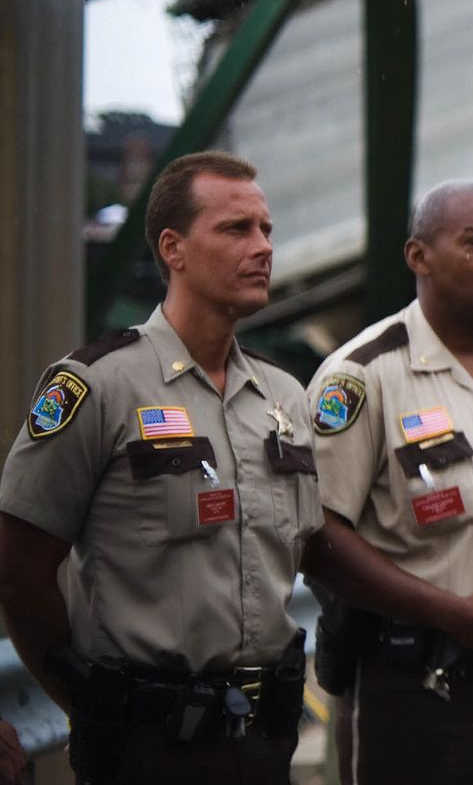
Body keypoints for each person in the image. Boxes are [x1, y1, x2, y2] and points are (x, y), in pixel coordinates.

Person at [0, 152, 320, 784]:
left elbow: (308, 546)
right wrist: (92, 703)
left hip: (266, 743)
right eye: (236, 229)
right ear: (172, 247)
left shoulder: (285, 396)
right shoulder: (98, 385)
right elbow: (19, 569)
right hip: (148, 752)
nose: (262, 247)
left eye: (266, 230)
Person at [301, 181, 473, 785]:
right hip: (411, 686)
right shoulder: (362, 376)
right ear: (419, 257)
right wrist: (451, 613)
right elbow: (315, 535)